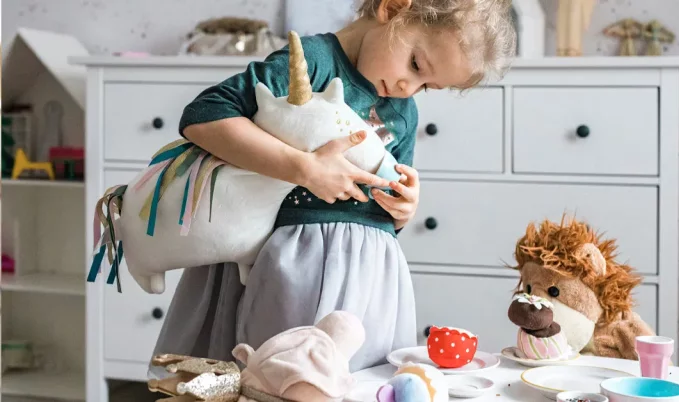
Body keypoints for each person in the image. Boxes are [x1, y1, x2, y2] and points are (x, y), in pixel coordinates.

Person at [152, 0, 517, 372]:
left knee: (363, 379)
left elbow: (388, 197)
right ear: (391, 10)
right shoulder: (311, 62)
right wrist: (304, 168)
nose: (410, 88)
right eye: (416, 65)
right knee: (285, 376)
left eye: (427, 86)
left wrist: (405, 208)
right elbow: (205, 114)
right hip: (295, 267)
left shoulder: (404, 110)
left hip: (372, 280)